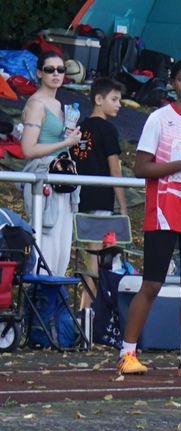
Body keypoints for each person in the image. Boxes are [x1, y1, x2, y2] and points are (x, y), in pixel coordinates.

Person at [116, 58, 181, 378]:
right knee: (152, 283)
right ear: (173, 83)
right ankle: (127, 353)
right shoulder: (159, 119)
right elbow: (141, 167)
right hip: (164, 210)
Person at [18, 51, 80, 280]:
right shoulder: (36, 104)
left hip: (63, 178)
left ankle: (53, 291)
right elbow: (28, 149)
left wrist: (69, 137)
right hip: (44, 177)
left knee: (62, 243)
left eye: (61, 70)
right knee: (46, 238)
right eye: (49, 69)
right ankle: (39, 290)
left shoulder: (58, 104)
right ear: (39, 73)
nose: (56, 74)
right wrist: (66, 142)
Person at [74, 78, 126, 219]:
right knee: (97, 233)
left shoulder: (79, 128)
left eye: (119, 100)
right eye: (114, 99)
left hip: (76, 197)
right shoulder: (108, 129)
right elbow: (115, 169)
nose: (119, 104)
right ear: (98, 99)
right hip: (101, 198)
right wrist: (123, 205)